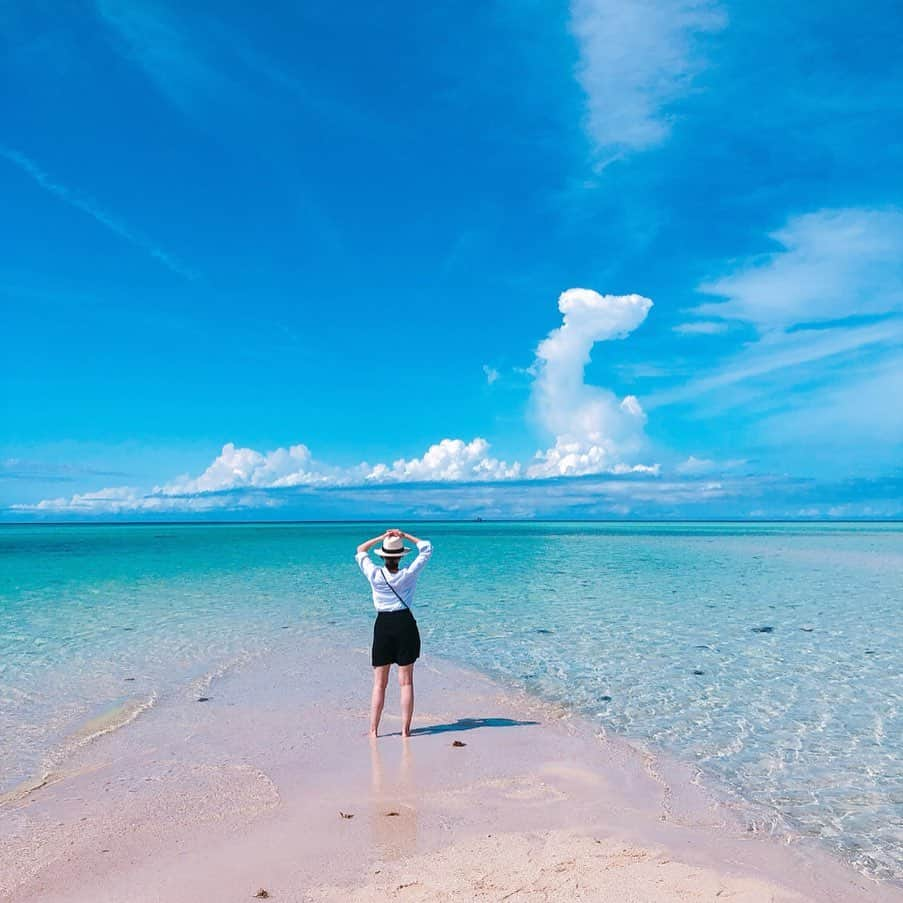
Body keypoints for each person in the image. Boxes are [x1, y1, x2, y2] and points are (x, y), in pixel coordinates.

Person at [356, 528, 432, 738]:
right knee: (406, 682)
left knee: (379, 683)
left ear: (383, 555)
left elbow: (361, 549)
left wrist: (382, 537)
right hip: (405, 623)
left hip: (383, 625)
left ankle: (373, 731)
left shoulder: (374, 574)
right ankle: (405, 731)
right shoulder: (408, 575)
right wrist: (404, 535)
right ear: (400, 556)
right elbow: (426, 548)